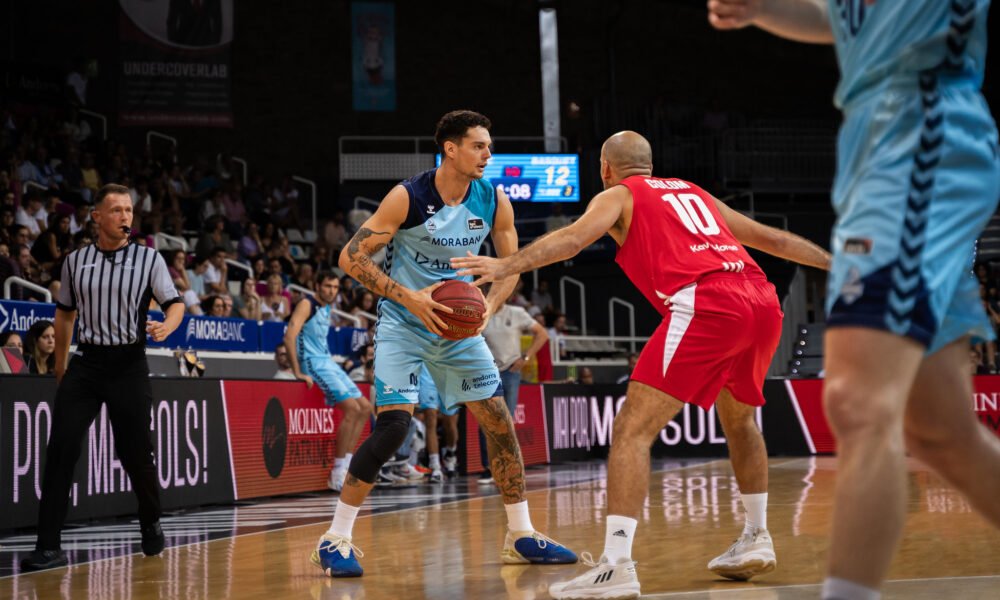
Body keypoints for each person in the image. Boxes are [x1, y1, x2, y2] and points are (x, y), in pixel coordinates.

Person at [453, 131, 830, 598]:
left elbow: (571, 240)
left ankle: (616, 564)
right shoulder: (696, 193)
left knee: (632, 430)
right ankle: (757, 536)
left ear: (606, 169)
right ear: (650, 163)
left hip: (708, 303)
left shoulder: (619, 195)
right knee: (740, 419)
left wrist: (504, 266)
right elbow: (773, 239)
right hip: (761, 301)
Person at [707, 2, 1000, 599]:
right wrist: (763, 9)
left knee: (857, 402)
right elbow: (841, 16)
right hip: (878, 148)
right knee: (942, 431)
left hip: (921, 134)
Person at [316, 110, 577, 578]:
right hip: (404, 323)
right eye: (479, 145)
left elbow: (511, 262)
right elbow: (350, 257)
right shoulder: (408, 197)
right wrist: (410, 299)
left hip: (458, 330)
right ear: (450, 149)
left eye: (489, 146)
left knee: (498, 423)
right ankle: (335, 538)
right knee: (394, 428)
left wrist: (489, 307)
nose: (488, 155)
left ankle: (521, 534)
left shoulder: (493, 199)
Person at [20, 183, 184, 571]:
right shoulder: (75, 261)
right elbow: (64, 315)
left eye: (129, 210)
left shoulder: (149, 260)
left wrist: (167, 326)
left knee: (135, 454)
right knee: (61, 449)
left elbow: (174, 305)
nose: (125, 217)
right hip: (88, 363)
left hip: (128, 364)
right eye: (117, 210)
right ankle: (48, 545)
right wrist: (61, 364)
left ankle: (150, 520)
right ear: (97, 217)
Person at [284, 272, 372, 493]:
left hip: (328, 361)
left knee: (365, 408)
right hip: (312, 363)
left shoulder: (326, 307)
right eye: (327, 286)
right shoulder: (307, 304)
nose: (331, 291)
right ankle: (337, 473)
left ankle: (347, 468)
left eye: (335, 287)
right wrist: (297, 371)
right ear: (317, 285)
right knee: (352, 409)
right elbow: (289, 335)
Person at [478, 286, 549, 480]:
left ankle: (508, 465)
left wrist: (525, 358)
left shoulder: (516, 313)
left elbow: (542, 334)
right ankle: (488, 468)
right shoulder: (480, 314)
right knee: (485, 419)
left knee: (505, 420)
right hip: (487, 373)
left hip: (510, 371)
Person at [416, 366, 460, 482]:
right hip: (427, 373)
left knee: (450, 424)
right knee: (430, 419)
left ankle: (450, 454)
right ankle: (435, 466)